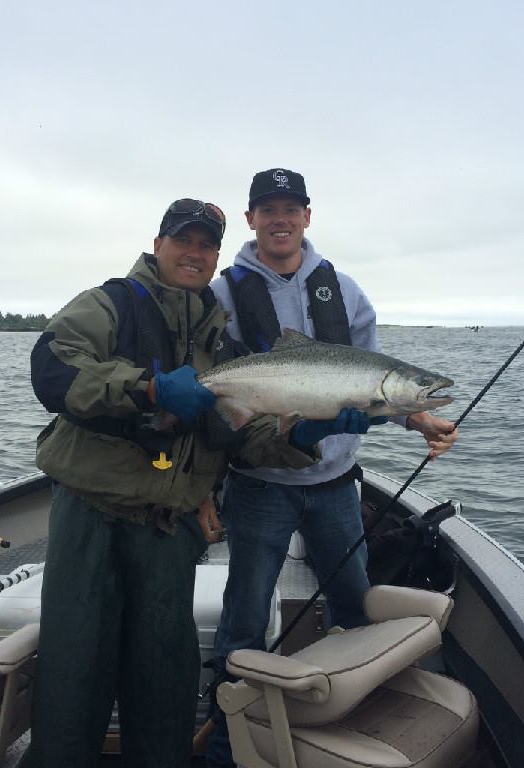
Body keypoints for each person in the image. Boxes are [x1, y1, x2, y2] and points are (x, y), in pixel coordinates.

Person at [20, 197, 367, 768]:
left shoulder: (221, 343)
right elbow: (54, 367)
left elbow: (240, 437)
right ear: (158, 244)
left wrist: (303, 437)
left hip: (169, 529)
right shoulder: (111, 303)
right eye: (183, 240)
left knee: (164, 675)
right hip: (92, 518)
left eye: (207, 244)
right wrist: (147, 389)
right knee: (74, 669)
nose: (195, 253)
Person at [204, 169, 459, 767]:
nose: (280, 219)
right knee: (244, 619)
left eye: (290, 208)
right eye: (267, 209)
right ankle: (226, 745)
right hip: (259, 484)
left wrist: (419, 419)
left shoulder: (344, 290)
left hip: (336, 486)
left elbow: (380, 390)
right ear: (251, 221)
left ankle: (361, 726)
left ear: (307, 217)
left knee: (353, 608)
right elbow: (211, 390)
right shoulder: (221, 294)